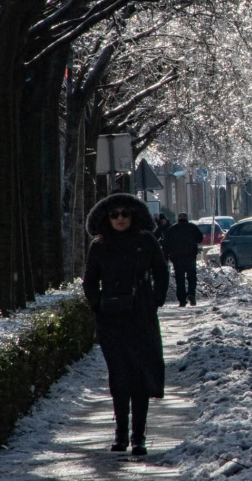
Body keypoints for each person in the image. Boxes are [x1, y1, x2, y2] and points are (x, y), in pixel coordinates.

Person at [82, 193, 168, 456]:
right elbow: (89, 281)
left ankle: (138, 436)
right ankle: (120, 434)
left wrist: (155, 300)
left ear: (134, 216)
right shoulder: (99, 246)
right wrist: (98, 305)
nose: (120, 219)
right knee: (119, 376)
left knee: (141, 375)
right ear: (106, 218)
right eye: (114, 214)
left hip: (141, 317)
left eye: (125, 214)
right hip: (111, 320)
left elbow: (161, 272)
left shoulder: (146, 241)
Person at [163, 212, 203, 307]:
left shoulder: (172, 229)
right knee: (191, 277)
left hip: (177, 259)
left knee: (179, 279)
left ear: (178, 219)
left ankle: (181, 300)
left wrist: (166, 257)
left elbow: (166, 245)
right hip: (190, 257)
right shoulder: (192, 227)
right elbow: (200, 238)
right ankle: (191, 294)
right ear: (186, 218)